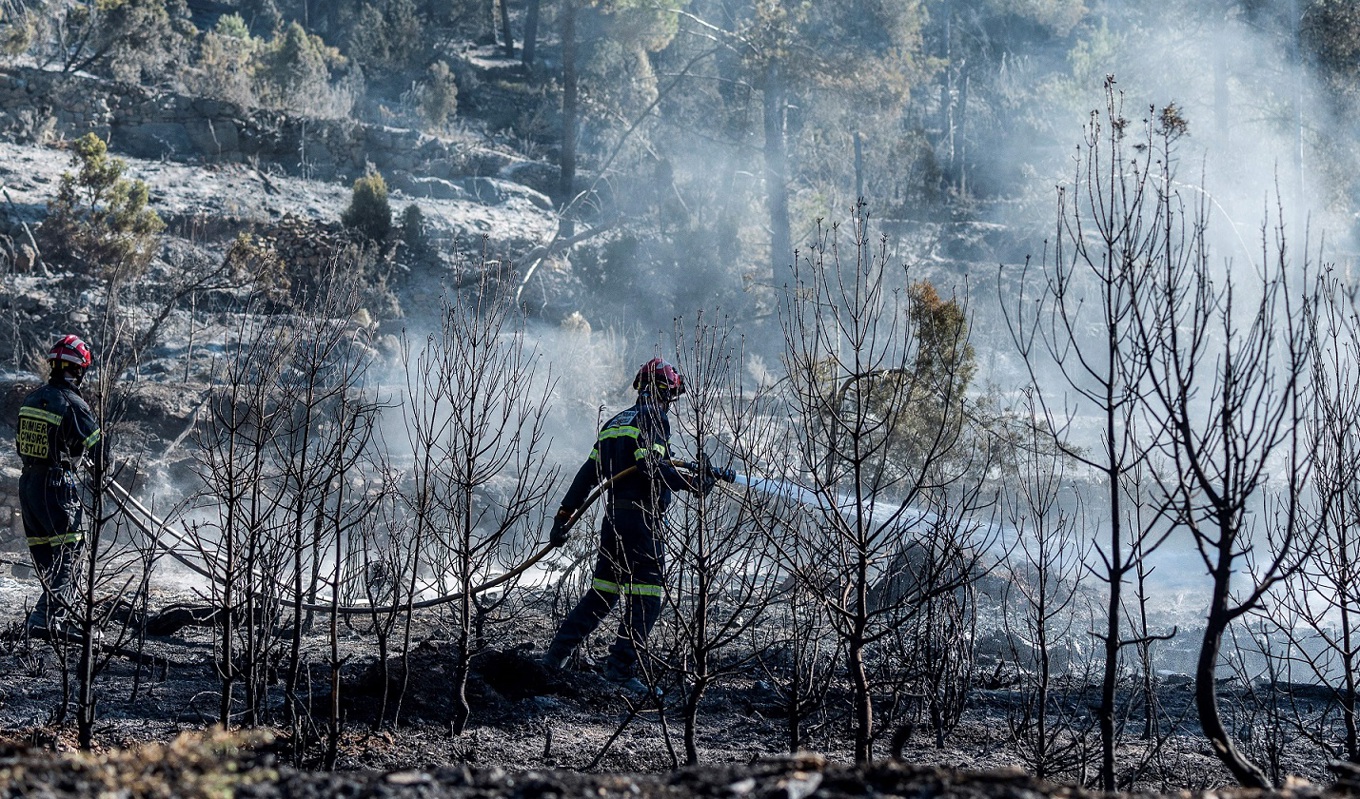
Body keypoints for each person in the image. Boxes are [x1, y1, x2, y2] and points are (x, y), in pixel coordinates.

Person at [541, 357, 713, 693]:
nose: (669, 404)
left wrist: (563, 516)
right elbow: (650, 467)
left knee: (602, 595)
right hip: (643, 522)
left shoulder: (615, 423)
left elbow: (586, 475)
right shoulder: (654, 418)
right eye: (670, 397)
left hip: (614, 521)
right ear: (662, 390)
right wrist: (693, 483)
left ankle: (555, 658)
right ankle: (620, 668)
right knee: (647, 598)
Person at [15, 335, 109, 637]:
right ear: (79, 369)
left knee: (46, 555)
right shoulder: (72, 403)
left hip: (28, 485)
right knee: (70, 551)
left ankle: (58, 617)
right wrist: (99, 471)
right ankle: (46, 619)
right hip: (56, 487)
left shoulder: (32, 398)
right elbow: (99, 448)